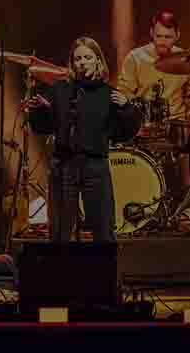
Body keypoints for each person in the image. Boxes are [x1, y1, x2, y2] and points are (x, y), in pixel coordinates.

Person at [26, 37, 141, 243]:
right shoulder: (60, 90)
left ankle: (103, 273)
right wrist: (40, 111)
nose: (82, 62)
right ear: (72, 63)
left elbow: (125, 133)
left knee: (103, 231)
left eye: (87, 57)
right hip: (64, 165)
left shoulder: (108, 94)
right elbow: (41, 127)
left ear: (98, 60)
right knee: (60, 232)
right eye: (78, 58)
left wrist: (126, 108)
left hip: (95, 166)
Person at [116, 11, 190, 198]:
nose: (162, 41)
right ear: (151, 33)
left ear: (177, 36)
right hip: (143, 127)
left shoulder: (186, 60)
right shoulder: (135, 58)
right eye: (159, 36)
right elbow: (123, 93)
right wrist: (133, 119)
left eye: (168, 37)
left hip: (176, 126)